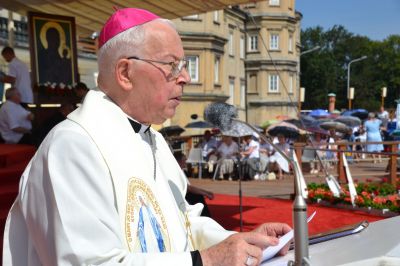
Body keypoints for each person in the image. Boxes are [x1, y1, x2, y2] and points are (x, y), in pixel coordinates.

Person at [3, 8, 291, 266]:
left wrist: (242, 241)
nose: (186, 77)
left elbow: (185, 223)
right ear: (126, 72)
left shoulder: (153, 140)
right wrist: (206, 261)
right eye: (172, 65)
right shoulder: (72, 146)